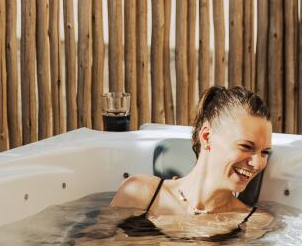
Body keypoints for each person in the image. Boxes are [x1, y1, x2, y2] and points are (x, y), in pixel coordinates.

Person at [94, 86, 274, 242]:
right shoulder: (139, 193)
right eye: (246, 146)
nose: (257, 163)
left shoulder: (253, 221)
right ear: (206, 137)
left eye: (265, 152)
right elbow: (95, 242)